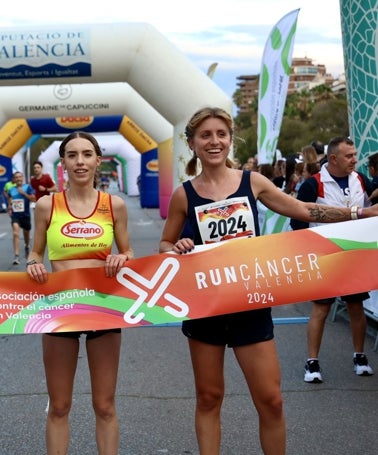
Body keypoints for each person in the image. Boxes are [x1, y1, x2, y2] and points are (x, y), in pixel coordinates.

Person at [158, 107, 378, 455]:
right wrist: (176, 247)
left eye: (221, 134)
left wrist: (359, 213)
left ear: (230, 139)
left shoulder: (252, 182)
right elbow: (166, 244)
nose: (214, 141)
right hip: (206, 308)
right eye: (205, 135)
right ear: (192, 144)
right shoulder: (185, 195)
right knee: (209, 398)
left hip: (250, 304)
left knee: (271, 400)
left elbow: (305, 211)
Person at [26, 131, 134, 455]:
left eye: (87, 154)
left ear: (98, 160)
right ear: (63, 163)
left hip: (103, 308)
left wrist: (122, 257)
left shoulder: (114, 205)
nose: (80, 161)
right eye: (72, 155)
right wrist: (33, 265)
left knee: (104, 405)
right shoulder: (47, 205)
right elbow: (35, 253)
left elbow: (129, 252)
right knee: (59, 406)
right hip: (61, 309)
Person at [291, 136, 375, 383]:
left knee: (356, 307)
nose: (355, 160)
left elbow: (373, 199)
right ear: (334, 158)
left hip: (353, 255)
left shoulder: (359, 179)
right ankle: (312, 362)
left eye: (355, 155)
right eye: (349, 156)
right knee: (322, 308)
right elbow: (298, 222)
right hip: (325, 256)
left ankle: (360, 356)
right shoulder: (313, 184)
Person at [6, 171, 35, 265]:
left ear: (22, 178)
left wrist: (24, 194)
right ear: (14, 179)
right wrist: (9, 207)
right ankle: (16, 256)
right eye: (16, 177)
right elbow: (10, 199)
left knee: (26, 234)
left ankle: (26, 246)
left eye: (20, 177)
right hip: (15, 215)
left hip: (25, 215)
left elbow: (33, 199)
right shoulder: (11, 189)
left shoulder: (27, 187)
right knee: (15, 233)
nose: (18, 179)